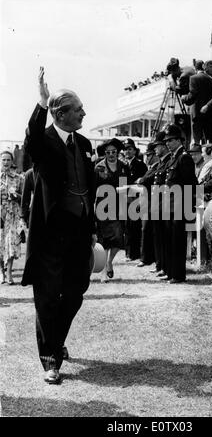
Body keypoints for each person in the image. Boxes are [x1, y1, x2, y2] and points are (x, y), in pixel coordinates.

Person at [21, 67, 97, 384]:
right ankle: (50, 360)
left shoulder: (83, 142)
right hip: (51, 233)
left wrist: (93, 226)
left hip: (79, 230)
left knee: (76, 291)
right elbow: (31, 137)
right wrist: (41, 102)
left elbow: (88, 186)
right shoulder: (44, 142)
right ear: (61, 114)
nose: (84, 113)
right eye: (78, 110)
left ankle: (55, 341)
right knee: (48, 296)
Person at [162, 124, 198, 283]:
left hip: (179, 206)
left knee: (177, 242)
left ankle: (178, 274)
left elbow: (190, 184)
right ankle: (171, 272)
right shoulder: (173, 157)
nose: (167, 143)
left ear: (178, 140)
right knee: (170, 240)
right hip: (170, 206)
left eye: (170, 140)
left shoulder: (184, 157)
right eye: (166, 141)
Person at [95, 138, 129, 281]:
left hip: (119, 205)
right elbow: (93, 186)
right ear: (104, 153)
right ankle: (104, 270)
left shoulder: (124, 166)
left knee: (118, 238)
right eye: (108, 152)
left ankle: (109, 261)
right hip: (103, 205)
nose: (111, 154)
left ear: (117, 152)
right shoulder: (98, 166)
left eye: (114, 152)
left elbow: (126, 186)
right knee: (104, 239)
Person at [150, 131, 171, 276]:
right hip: (157, 202)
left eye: (158, 146)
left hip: (165, 202)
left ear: (164, 146)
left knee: (164, 237)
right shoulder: (161, 162)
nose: (155, 149)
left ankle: (164, 266)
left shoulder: (169, 160)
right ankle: (160, 265)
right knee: (158, 236)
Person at [0, 150, 23, 285]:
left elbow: (24, 198)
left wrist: (16, 196)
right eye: (3, 160)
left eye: (8, 160)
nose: (6, 162)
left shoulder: (19, 178)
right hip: (0, 216)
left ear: (12, 162)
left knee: (11, 243)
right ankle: (1, 274)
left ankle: (8, 273)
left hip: (13, 215)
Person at [123, 138, 148, 261]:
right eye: (125, 149)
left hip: (136, 199)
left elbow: (142, 183)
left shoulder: (140, 165)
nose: (127, 152)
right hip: (125, 199)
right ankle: (128, 252)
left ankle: (134, 253)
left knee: (135, 227)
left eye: (130, 149)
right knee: (127, 227)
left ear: (134, 151)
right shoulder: (122, 164)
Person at [181, 60, 212, 144]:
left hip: (196, 113)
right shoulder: (210, 79)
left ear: (195, 68)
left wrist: (184, 98)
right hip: (208, 113)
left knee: (196, 139)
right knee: (208, 139)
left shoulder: (193, 78)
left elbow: (192, 95)